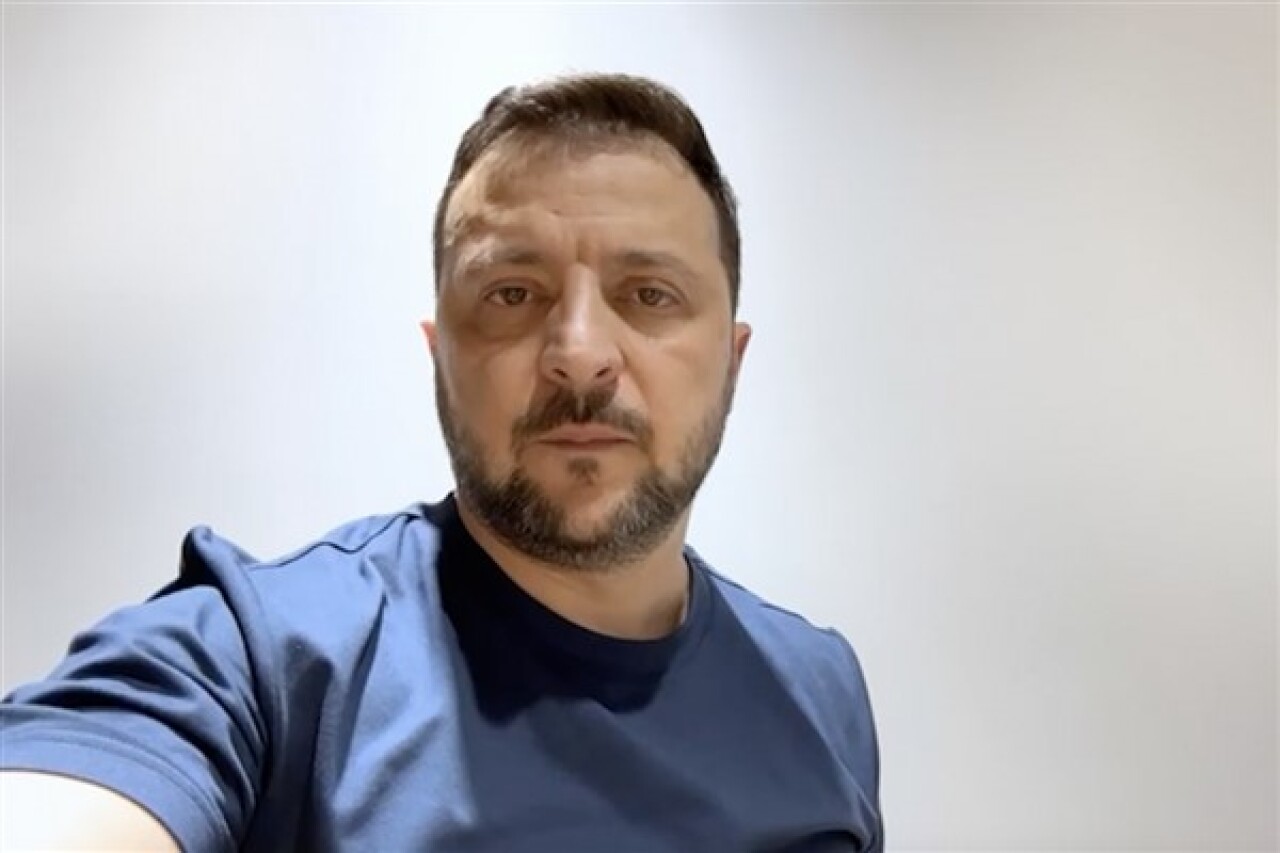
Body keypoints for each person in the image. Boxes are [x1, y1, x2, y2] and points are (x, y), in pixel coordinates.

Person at [1, 73, 883, 852]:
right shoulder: (266, 662)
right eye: (511, 293)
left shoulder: (820, 687)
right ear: (440, 355)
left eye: (649, 294)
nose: (579, 352)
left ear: (731, 359)